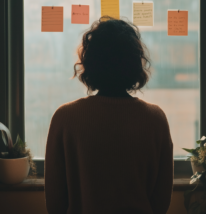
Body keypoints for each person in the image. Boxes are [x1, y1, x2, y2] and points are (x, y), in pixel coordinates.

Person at [44, 16, 174, 214]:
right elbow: (161, 199)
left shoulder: (64, 119)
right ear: (135, 64)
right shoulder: (155, 120)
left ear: (90, 63)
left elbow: (55, 201)